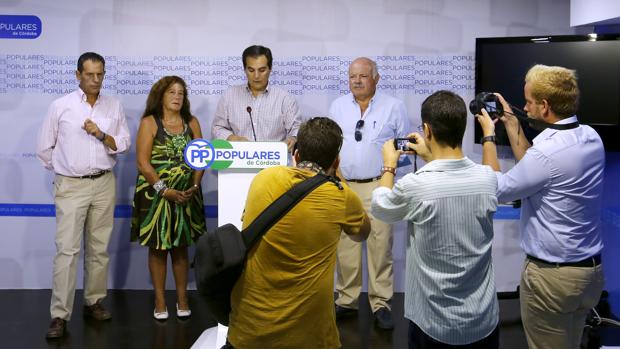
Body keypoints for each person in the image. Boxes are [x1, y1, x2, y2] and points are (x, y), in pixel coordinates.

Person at [477, 64, 605, 349]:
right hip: (589, 274)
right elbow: (536, 167)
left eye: (529, 102)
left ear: (545, 106)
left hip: (552, 279)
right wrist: (512, 122)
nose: (524, 106)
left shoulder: (547, 154)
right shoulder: (590, 137)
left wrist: (488, 136)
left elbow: (495, 188)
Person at [225, 117, 371, 349]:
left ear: (297, 154)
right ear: (336, 160)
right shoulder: (342, 197)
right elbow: (362, 233)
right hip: (310, 338)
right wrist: (338, 175)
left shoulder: (264, 178)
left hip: (249, 332)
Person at [372, 90, 500, 348]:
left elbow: (382, 207)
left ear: (427, 130)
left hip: (433, 324)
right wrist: (431, 155)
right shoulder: (487, 179)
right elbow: (467, 172)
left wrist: (389, 166)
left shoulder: (416, 186)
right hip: (482, 321)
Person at [36, 52, 131, 339]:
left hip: (103, 183)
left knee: (99, 248)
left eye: (100, 74)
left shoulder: (113, 105)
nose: (95, 79)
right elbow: (44, 149)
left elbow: (124, 143)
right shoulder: (60, 106)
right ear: (78, 75)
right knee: (67, 250)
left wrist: (101, 135)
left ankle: (94, 302)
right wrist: (68, 172)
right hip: (71, 186)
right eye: (89, 74)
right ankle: (59, 315)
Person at [328, 57, 410, 329]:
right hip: (345, 185)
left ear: (376, 78)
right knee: (346, 246)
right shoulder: (337, 106)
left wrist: (396, 183)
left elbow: (406, 148)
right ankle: (347, 299)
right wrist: (335, 181)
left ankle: (381, 303)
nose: (357, 81)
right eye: (353, 76)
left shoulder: (394, 107)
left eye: (363, 76)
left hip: (380, 185)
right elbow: (330, 147)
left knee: (380, 245)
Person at [131, 76, 207, 320]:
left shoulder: (192, 122)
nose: (177, 97)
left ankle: (183, 299)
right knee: (158, 249)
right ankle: (160, 300)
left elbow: (200, 159)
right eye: (172, 92)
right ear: (161, 96)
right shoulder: (149, 123)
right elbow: (143, 163)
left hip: (187, 195)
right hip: (156, 197)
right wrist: (165, 190)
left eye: (181, 93)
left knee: (182, 249)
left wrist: (194, 186)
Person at [211, 44, 301, 151]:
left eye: (262, 70)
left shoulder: (284, 99)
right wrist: (232, 138)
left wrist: (293, 138)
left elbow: (296, 129)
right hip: (238, 160)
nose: (256, 76)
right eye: (251, 70)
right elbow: (217, 128)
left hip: (274, 164)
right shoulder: (229, 96)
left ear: (270, 69)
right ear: (244, 69)